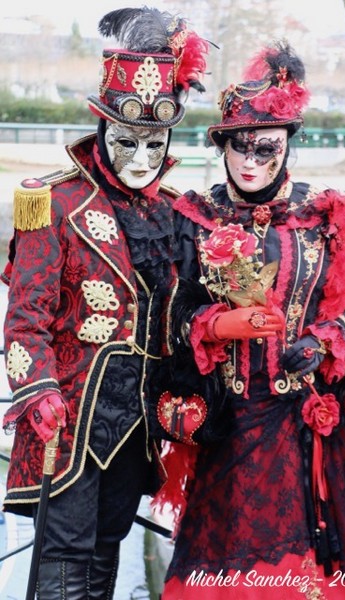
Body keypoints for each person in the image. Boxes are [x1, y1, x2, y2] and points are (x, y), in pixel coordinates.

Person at [153, 42, 345, 599]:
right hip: (224, 421)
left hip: (296, 423)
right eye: (239, 147)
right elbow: (168, 310)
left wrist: (323, 341)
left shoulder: (323, 220)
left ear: (287, 147)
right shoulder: (194, 219)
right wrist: (214, 327)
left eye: (265, 147)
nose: (252, 159)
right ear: (222, 149)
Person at [1, 7, 208, 598]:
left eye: (154, 145)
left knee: (109, 542)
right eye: (126, 143)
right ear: (101, 129)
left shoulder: (171, 211)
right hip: (70, 412)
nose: (141, 160)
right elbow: (24, 320)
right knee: (62, 552)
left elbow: (178, 313)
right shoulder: (54, 203)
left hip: (138, 415)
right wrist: (36, 391)